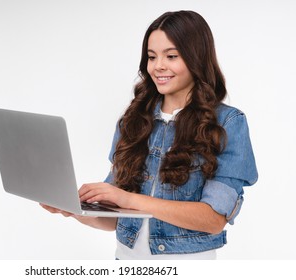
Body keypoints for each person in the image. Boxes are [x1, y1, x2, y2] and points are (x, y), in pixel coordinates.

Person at [41, 10, 258, 260]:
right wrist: (77, 210)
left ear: (196, 58)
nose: (158, 66)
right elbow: (113, 220)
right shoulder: (133, 120)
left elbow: (213, 219)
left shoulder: (228, 123)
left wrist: (129, 199)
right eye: (151, 57)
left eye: (172, 56)